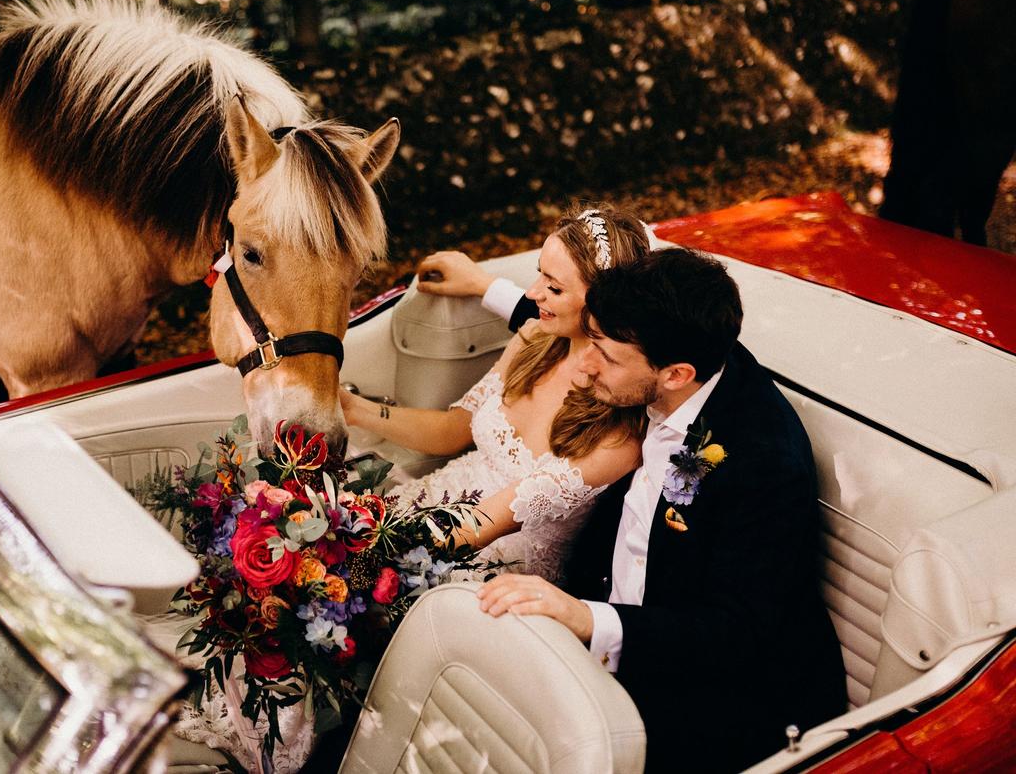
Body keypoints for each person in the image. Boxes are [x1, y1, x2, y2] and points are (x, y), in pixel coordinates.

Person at [475, 247, 847, 773]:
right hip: (605, 630)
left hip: (716, 699)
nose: (584, 365)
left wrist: (586, 619)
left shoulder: (762, 462)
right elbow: (556, 320)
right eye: (592, 341)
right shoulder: (673, 351)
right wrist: (482, 284)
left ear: (675, 375)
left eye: (603, 354)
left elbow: (737, 633)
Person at [342, 206, 650, 583]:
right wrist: (354, 408)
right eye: (539, 273)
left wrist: (370, 556)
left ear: (604, 303)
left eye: (554, 288)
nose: (534, 294)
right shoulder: (535, 338)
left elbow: (489, 521)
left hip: (488, 563)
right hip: (433, 500)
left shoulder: (621, 422)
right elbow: (454, 430)